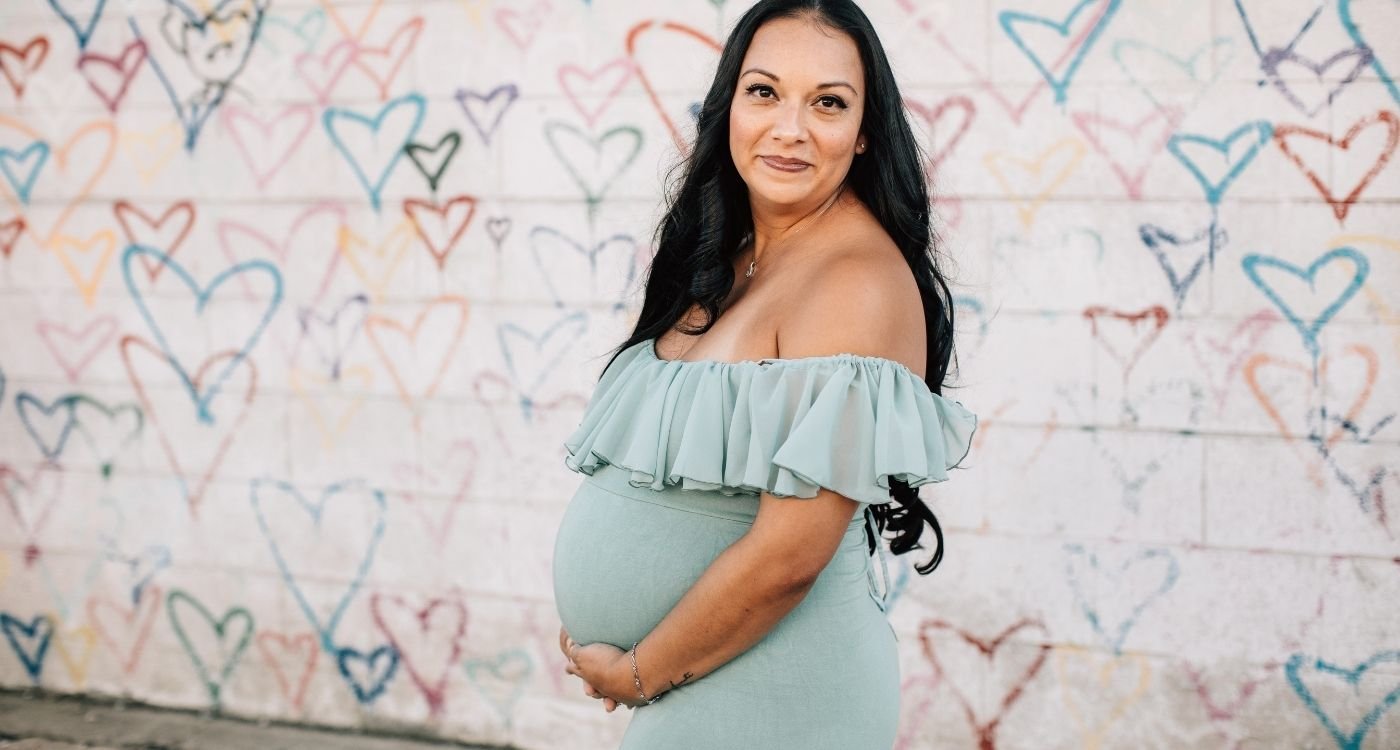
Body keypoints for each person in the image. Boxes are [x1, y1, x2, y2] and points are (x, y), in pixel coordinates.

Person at [550, 1, 978, 746]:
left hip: (776, 691)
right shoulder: (732, 256)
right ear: (729, 106)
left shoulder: (852, 281)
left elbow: (790, 555)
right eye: (764, 92)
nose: (790, 128)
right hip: (707, 681)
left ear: (866, 130)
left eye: (829, 103)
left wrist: (639, 672)